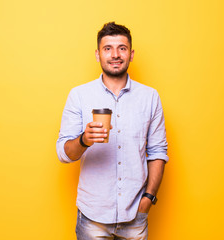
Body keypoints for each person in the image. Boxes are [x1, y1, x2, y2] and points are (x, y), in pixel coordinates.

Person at [56, 22, 168, 240]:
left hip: (135, 216)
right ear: (98, 54)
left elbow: (157, 152)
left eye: (122, 48)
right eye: (108, 48)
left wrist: (149, 199)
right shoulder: (79, 95)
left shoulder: (150, 97)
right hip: (92, 219)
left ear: (131, 54)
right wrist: (83, 140)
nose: (115, 54)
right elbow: (63, 153)